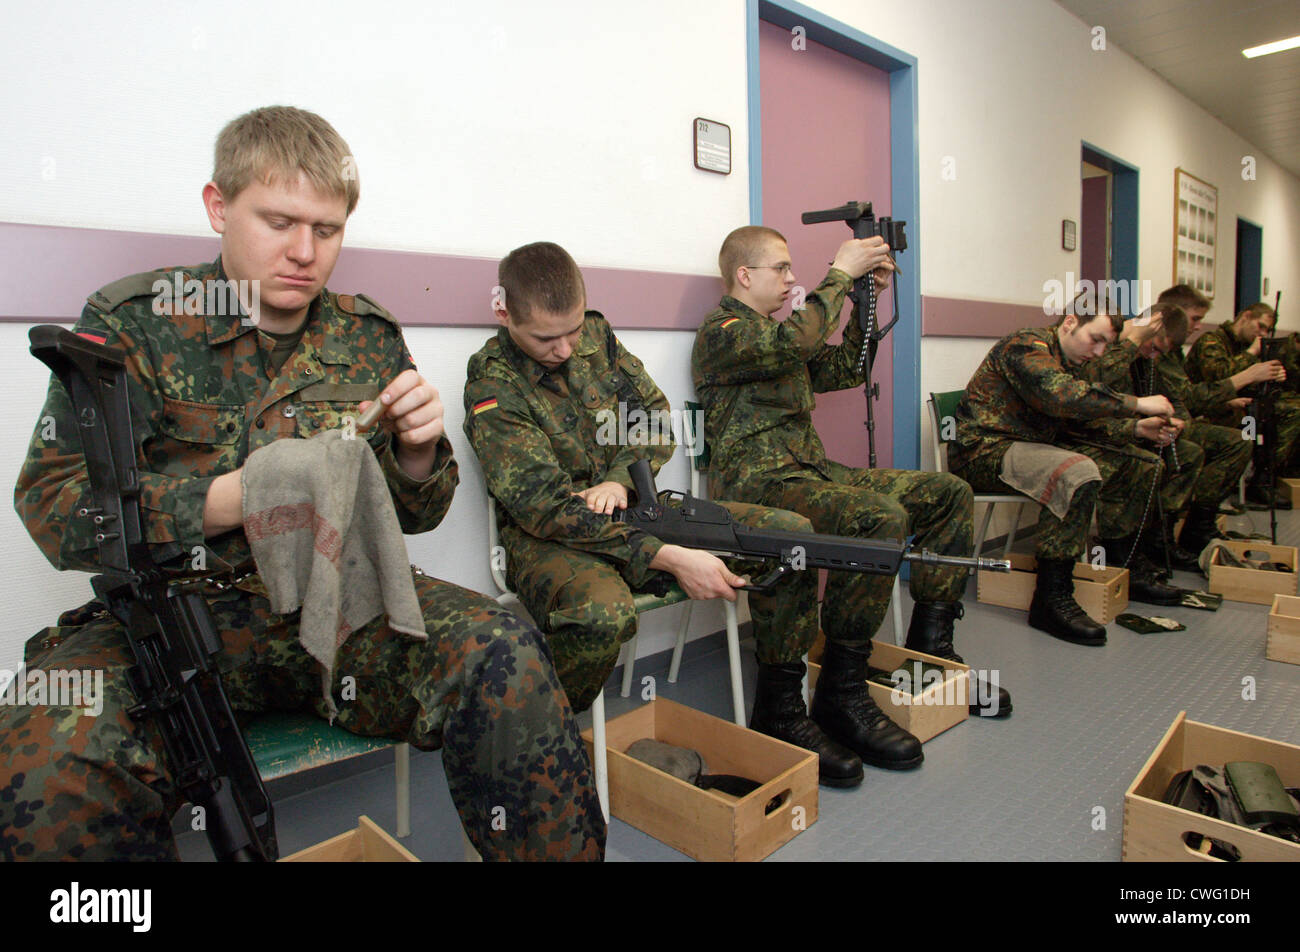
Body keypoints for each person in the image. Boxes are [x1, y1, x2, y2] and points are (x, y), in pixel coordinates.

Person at [1, 107, 604, 862]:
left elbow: (415, 513)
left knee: (505, 651)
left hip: (340, 603)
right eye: (279, 221)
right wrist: (234, 497)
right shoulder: (138, 324)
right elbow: (55, 508)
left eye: (328, 229)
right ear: (219, 207)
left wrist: (419, 455)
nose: (304, 252)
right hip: (180, 611)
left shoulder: (367, 334)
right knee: (46, 745)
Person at [463, 240, 898, 788]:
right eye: (546, 339)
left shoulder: (596, 336)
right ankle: (538, 739)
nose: (567, 349)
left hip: (633, 508)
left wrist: (620, 478)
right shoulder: (492, 382)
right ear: (503, 313)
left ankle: (783, 712)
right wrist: (669, 557)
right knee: (601, 616)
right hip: (550, 536)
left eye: (573, 331)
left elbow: (656, 416)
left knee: (789, 536)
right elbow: (543, 506)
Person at [692, 225, 1011, 725]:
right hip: (757, 487)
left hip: (810, 473)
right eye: (781, 268)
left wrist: (866, 301)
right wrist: (840, 272)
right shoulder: (724, 333)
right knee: (876, 517)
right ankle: (842, 685)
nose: (791, 278)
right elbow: (795, 341)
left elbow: (845, 368)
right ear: (744, 274)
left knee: (948, 492)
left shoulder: (779, 337)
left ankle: (932, 654)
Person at [949, 300, 1180, 645]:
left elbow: (1079, 421)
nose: (1099, 352)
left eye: (1107, 345)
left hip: (1032, 448)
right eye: (1095, 339)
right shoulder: (1026, 345)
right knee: (1076, 471)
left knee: (1140, 463)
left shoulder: (1070, 359)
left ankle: (1122, 563)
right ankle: (1051, 597)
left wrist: (1135, 430)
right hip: (983, 450)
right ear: (1070, 322)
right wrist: (1137, 404)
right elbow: (1062, 398)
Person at [1146, 285, 1254, 559]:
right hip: (1153, 423)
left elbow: (1183, 397)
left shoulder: (1171, 348)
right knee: (1212, 447)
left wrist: (1224, 400)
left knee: (1238, 440)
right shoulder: (1157, 345)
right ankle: (1166, 538)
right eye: (1194, 318)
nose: (1197, 325)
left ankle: (1199, 525)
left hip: (1172, 418)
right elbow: (1188, 397)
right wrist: (1245, 376)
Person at [1184, 302, 1296, 507]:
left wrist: (1274, 374)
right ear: (1246, 316)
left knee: (1278, 414)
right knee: (1251, 425)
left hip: (1239, 408)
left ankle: (1263, 476)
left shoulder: (1243, 345)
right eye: (1260, 326)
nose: (1261, 333)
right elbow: (1220, 378)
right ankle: (1220, 494)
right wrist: (1251, 354)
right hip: (1208, 408)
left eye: (1267, 330)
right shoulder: (1212, 342)